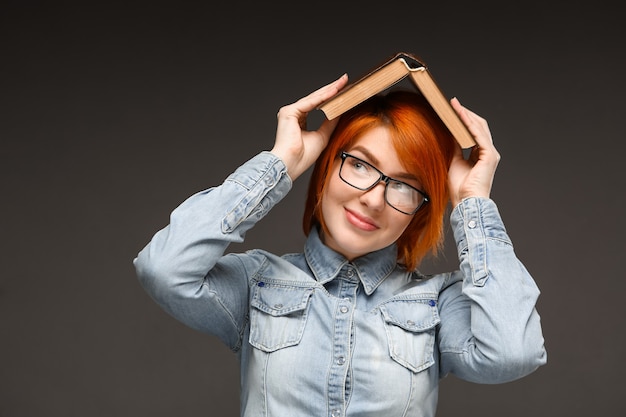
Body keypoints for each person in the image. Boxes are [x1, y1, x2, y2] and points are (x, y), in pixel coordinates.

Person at [133, 73, 547, 416]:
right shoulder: (256, 283)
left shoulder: (437, 303)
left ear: (420, 209)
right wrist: (280, 163)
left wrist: (472, 203)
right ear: (328, 166)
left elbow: (512, 352)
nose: (373, 197)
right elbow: (164, 269)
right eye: (360, 165)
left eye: (403, 186)